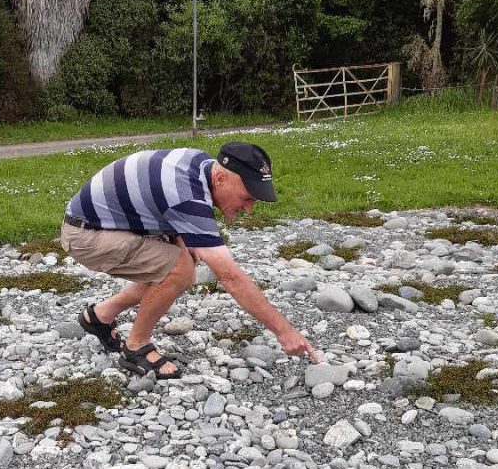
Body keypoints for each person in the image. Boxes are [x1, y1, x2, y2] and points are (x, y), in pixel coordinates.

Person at [60, 141, 321, 379]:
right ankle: (136, 346)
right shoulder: (187, 195)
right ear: (220, 178)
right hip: (85, 235)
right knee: (179, 269)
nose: (249, 209)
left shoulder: (201, 163)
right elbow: (231, 277)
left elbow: (159, 200)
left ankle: (100, 316)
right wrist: (284, 331)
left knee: (183, 261)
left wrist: (182, 242)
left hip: (111, 223)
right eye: (246, 197)